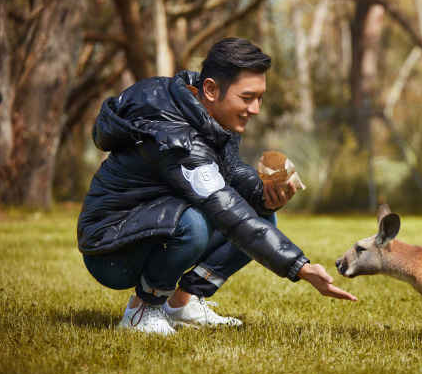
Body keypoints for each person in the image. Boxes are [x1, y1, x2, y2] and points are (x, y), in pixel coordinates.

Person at [77, 37, 357, 335]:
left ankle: (182, 302)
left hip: (152, 225)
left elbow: (230, 171)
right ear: (210, 89)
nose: (256, 109)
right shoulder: (175, 136)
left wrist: (262, 196)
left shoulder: (210, 115)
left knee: (259, 214)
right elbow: (224, 208)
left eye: (260, 98)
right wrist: (299, 266)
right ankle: (142, 310)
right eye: (247, 97)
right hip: (109, 248)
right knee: (194, 225)